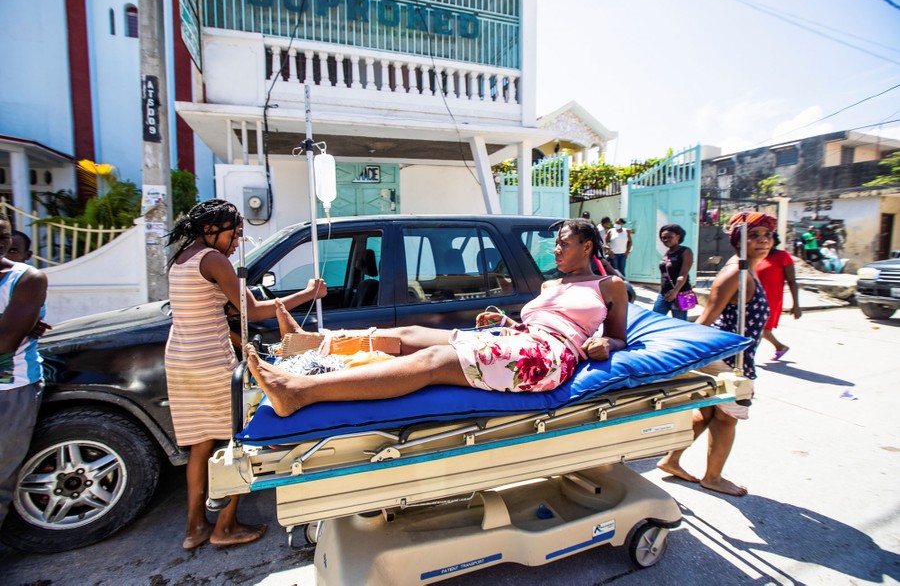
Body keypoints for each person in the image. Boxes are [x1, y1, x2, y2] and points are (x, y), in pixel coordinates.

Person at [245, 218, 629, 417]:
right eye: (556, 244)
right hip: (521, 339)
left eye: (563, 243)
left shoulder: (608, 285)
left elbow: (619, 338)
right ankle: (312, 341)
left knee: (434, 361)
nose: (556, 250)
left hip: (549, 358)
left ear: (587, 246)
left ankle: (297, 392)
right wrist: (509, 323)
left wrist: (604, 343)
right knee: (412, 333)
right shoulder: (550, 286)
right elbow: (535, 324)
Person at [164, 199, 326, 550]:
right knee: (237, 443)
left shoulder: (182, 259)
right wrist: (307, 294)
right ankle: (225, 526)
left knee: (201, 445)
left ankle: (194, 529)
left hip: (180, 360)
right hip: (210, 362)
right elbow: (250, 309)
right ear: (211, 230)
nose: (237, 242)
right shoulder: (213, 259)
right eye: (234, 233)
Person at [657, 211, 774, 497]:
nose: (762, 241)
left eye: (767, 235)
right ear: (738, 240)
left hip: (734, 355)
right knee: (727, 419)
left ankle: (671, 460)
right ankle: (713, 477)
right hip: (730, 360)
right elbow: (706, 320)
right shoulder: (736, 273)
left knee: (707, 414)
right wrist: (680, 354)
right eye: (754, 235)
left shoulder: (747, 269)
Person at [0, 212, 49, 528]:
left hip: (11, 388)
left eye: (3, 238)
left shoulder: (26, 279)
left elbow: (5, 342)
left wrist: (15, 327)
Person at [757, 233, 801, 361]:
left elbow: (792, 281)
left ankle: (746, 358)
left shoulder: (782, 256)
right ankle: (780, 347)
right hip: (754, 298)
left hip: (771, 299)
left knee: (760, 328)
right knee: (759, 328)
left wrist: (796, 305)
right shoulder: (757, 256)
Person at [653, 223, 694, 321]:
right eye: (663, 238)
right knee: (654, 319)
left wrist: (675, 291)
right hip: (664, 294)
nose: (666, 240)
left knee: (679, 323)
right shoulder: (668, 253)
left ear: (678, 237)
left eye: (670, 237)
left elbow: (683, 274)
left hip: (679, 294)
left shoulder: (685, 251)